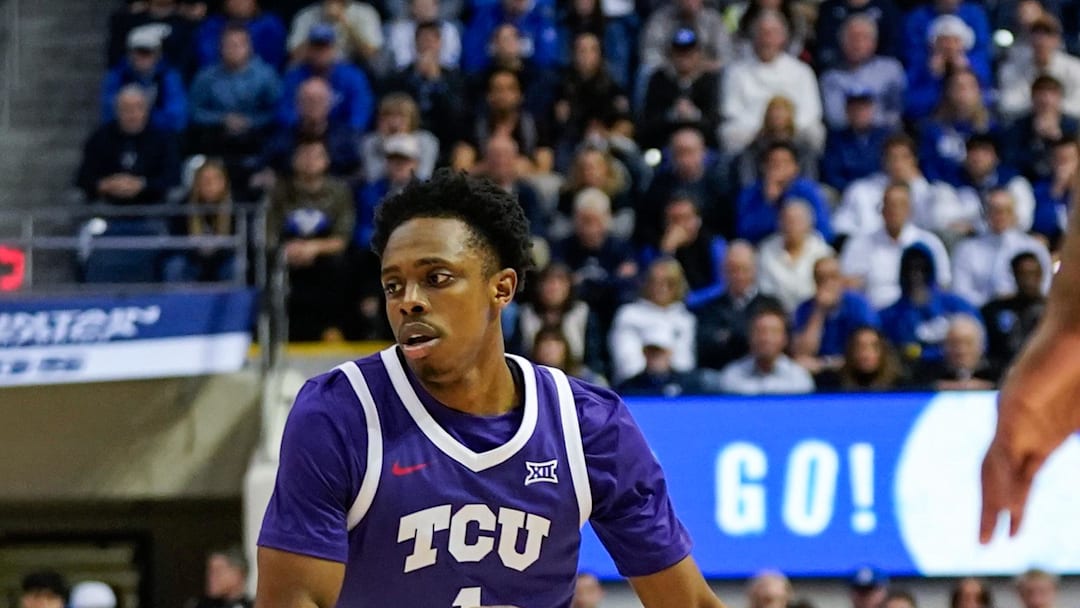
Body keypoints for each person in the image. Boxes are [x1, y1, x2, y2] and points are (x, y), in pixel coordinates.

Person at [255, 169, 726, 607]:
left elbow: (685, 600)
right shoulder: (339, 413)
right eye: (393, 285)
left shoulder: (588, 426)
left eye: (436, 278)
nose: (409, 302)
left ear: (501, 289)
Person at [267, 139, 354, 342]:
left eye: (315, 156)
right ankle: (276, 332)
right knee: (266, 268)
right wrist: (287, 251)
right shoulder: (279, 192)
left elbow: (343, 238)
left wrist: (312, 248)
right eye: (304, 155)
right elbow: (268, 235)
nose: (309, 161)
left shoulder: (339, 192)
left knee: (341, 266)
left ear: (326, 161)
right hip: (287, 254)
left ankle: (332, 328)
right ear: (294, 160)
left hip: (324, 255)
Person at [720, 10, 824, 155]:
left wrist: (783, 127)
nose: (767, 39)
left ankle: (808, 174)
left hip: (793, 131)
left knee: (815, 132)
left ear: (783, 37)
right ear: (753, 36)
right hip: (753, 132)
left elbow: (811, 111)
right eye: (762, 32)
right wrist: (765, 128)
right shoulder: (736, 72)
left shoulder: (801, 70)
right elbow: (732, 111)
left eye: (773, 33)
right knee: (728, 133)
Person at [839, 182, 952, 309]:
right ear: (881, 209)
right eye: (890, 205)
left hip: (916, 312)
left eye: (901, 205)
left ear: (910, 210)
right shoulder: (860, 243)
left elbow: (942, 285)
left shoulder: (929, 243)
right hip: (874, 315)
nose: (895, 210)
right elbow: (847, 285)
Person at [695, 240, 784, 370]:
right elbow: (706, 346)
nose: (739, 275)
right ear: (723, 271)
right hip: (720, 375)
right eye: (733, 269)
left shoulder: (770, 304)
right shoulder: (710, 308)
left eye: (744, 269)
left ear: (755, 270)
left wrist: (728, 336)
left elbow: (776, 344)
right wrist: (745, 335)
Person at [608, 258, 697, 384]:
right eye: (655, 282)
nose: (662, 288)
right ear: (646, 283)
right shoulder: (628, 314)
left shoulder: (685, 319)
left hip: (677, 387)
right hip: (633, 387)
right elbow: (626, 362)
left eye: (669, 283)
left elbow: (685, 362)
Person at [792, 256, 880, 378]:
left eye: (833, 277)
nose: (828, 283)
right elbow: (802, 355)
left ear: (841, 279)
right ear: (814, 282)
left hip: (853, 372)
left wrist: (827, 364)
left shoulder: (858, 304)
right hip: (817, 376)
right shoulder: (804, 309)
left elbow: (870, 348)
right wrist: (819, 311)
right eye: (821, 279)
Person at [709, 305, 815, 395]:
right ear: (750, 337)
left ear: (785, 339)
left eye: (774, 332)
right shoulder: (732, 376)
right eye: (760, 331)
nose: (766, 338)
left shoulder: (799, 378)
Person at [981, 252, 1047, 373]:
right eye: (1023, 274)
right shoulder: (994, 310)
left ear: (1041, 274)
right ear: (1014, 275)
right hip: (1002, 374)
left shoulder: (1053, 311)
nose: (1028, 281)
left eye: (1033, 274)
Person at [910, 313, 998, 389]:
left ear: (981, 345)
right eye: (954, 343)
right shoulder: (925, 373)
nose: (961, 350)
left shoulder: (998, 372)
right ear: (944, 346)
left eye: (968, 343)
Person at [287, 0, 383, 66]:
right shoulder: (306, 15)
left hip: (352, 68)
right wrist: (321, 27)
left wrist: (345, 23)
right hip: (312, 69)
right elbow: (295, 56)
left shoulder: (365, 13)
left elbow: (371, 54)